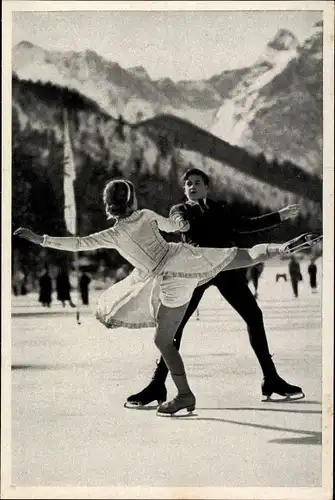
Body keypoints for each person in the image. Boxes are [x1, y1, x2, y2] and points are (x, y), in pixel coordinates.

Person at [14, 178, 321, 416]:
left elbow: (77, 243)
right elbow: (173, 225)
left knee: (164, 341)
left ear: (110, 206)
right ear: (132, 200)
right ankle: (282, 247)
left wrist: (40, 239)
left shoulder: (111, 234)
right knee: (239, 255)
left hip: (170, 280)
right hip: (185, 256)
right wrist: (182, 225)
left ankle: (184, 394)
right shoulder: (146, 214)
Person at [126, 168, 305, 408]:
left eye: (197, 183)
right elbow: (178, 222)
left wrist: (279, 216)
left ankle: (271, 379)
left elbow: (245, 225)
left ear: (206, 187)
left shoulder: (220, 208)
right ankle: (157, 385)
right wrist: (181, 224)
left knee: (254, 316)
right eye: (188, 183)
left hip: (226, 269)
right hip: (196, 272)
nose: (192, 186)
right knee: (174, 327)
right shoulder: (181, 210)